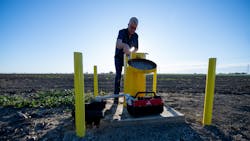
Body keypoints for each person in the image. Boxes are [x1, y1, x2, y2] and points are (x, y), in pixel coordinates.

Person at [114, 17, 139, 103]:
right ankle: (116, 99)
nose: (133, 30)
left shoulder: (136, 36)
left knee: (129, 77)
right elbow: (118, 44)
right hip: (118, 58)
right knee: (118, 76)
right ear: (128, 24)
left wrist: (130, 51)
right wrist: (125, 46)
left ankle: (129, 97)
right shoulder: (121, 32)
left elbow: (136, 48)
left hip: (128, 59)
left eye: (135, 28)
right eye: (131, 27)